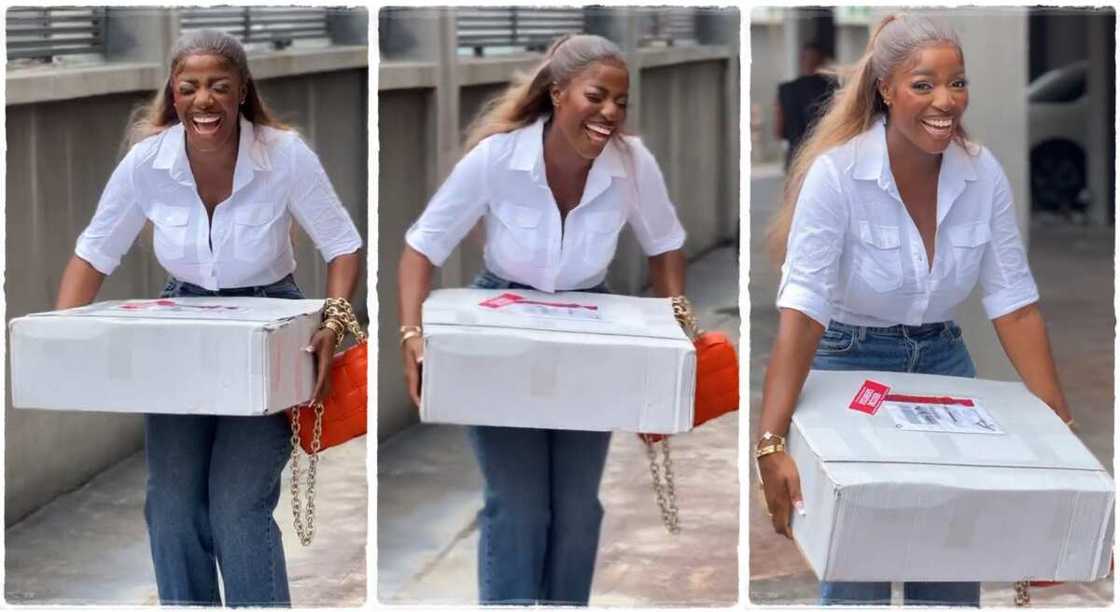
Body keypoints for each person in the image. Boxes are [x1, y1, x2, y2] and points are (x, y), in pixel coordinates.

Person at [757, 14, 1075, 607]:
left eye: (957, 83)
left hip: (943, 361)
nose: (945, 101)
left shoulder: (981, 174)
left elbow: (1013, 303)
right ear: (886, 89)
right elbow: (802, 316)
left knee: (952, 553)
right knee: (858, 561)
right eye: (923, 84)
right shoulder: (839, 176)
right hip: (847, 365)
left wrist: (1057, 421)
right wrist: (771, 443)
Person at [54, 30, 362, 607]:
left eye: (220, 86)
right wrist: (59, 341)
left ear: (242, 91)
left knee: (236, 503)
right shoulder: (148, 160)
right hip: (182, 327)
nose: (204, 100)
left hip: (271, 327)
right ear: (173, 93)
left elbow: (343, 246)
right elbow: (94, 252)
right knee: (170, 502)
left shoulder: (283, 154)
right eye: (189, 86)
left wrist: (333, 322)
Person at [396, 34, 687, 605]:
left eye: (620, 102)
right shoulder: (498, 159)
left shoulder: (632, 165)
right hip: (501, 326)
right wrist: (411, 335)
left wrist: (678, 327)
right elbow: (421, 248)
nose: (610, 114)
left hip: (589, 327)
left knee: (577, 506)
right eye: (597, 96)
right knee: (518, 501)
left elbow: (666, 246)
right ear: (558, 94)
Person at [775, 42, 838, 170]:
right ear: (823, 62)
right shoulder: (831, 89)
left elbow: (778, 131)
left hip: (795, 161)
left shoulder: (786, 90)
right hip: (822, 159)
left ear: (801, 60)